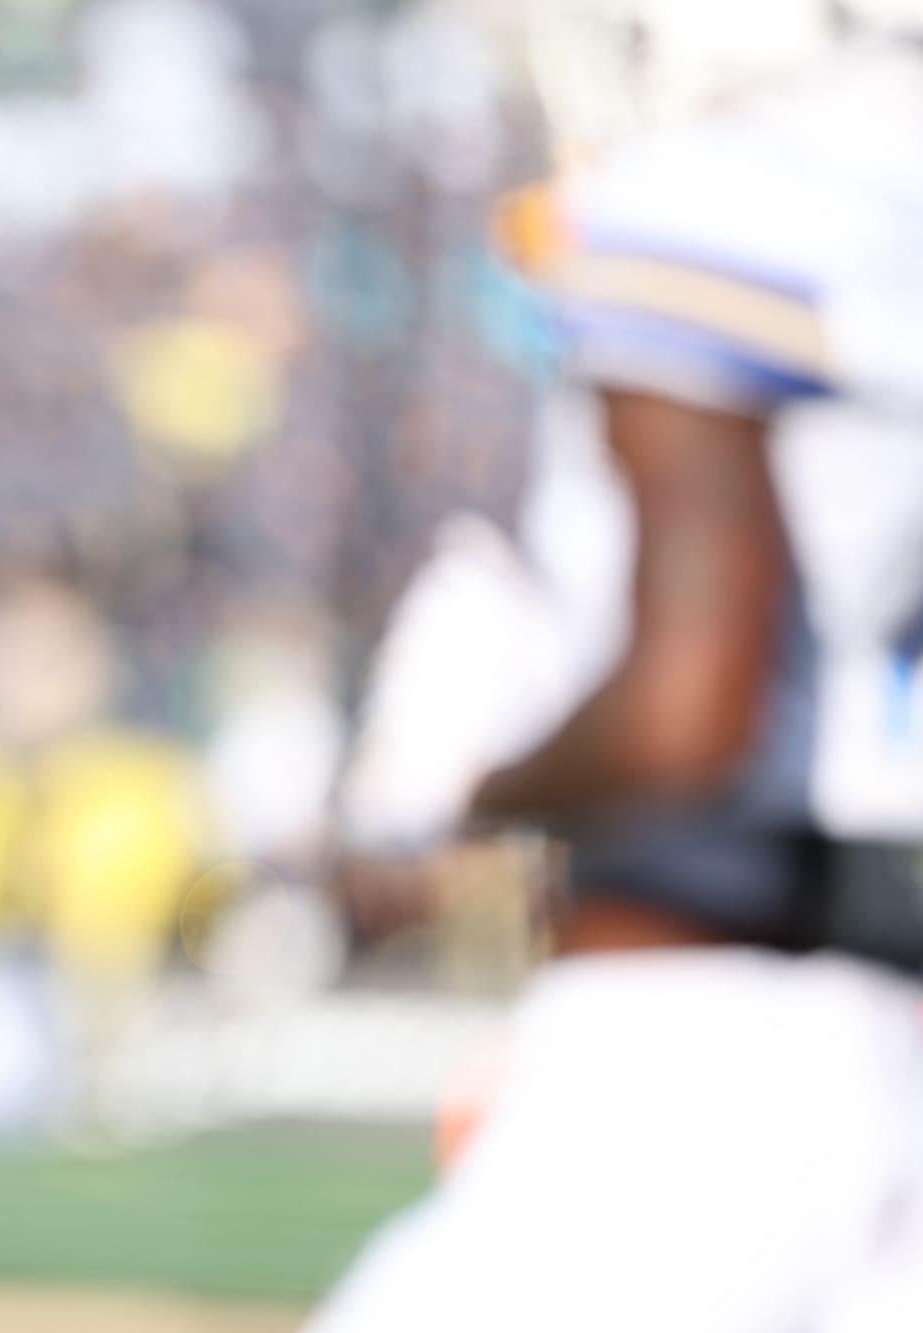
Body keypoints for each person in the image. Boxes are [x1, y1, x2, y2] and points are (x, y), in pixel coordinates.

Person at [313, 15, 923, 1332]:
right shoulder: (890, 215)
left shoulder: (725, 202)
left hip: (706, 1048)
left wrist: (459, 784)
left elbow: (688, 712)